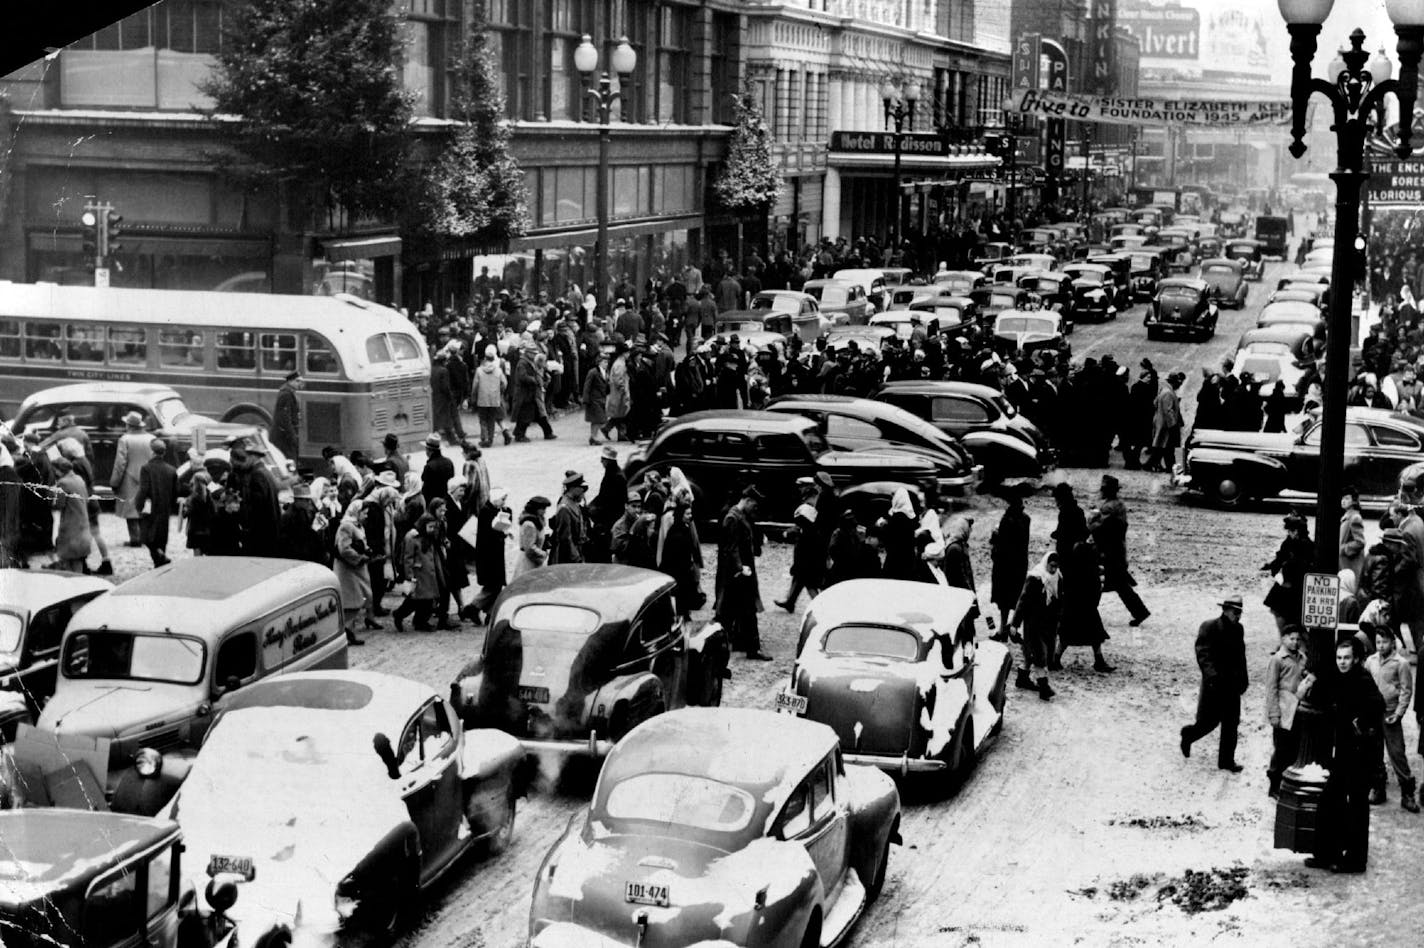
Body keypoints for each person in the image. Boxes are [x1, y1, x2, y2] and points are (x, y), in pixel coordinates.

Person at [1305, 638, 1385, 873]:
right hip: (1343, 752)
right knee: (1331, 799)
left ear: (1356, 659)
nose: (1342, 662)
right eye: (1339, 657)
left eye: (1347, 658)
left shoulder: (1362, 679)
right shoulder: (1338, 676)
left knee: (1357, 804)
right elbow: (1319, 695)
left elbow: (1378, 705)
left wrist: (1359, 724)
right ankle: (1325, 853)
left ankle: (1355, 860)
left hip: (1361, 752)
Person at [1179, 594, 1248, 773]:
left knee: (1231, 724)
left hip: (1232, 686)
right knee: (1208, 723)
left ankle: (1226, 761)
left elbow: (1241, 656)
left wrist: (1243, 679)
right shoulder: (1209, 627)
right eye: (1235, 612)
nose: (1237, 615)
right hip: (1214, 686)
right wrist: (1212, 677)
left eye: (1239, 612)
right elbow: (1203, 654)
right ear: (1224, 610)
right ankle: (1188, 735)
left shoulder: (1239, 629)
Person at [1365, 628, 1418, 811]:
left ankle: (1407, 792)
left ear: (1392, 642)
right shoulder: (1370, 661)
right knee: (1374, 752)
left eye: (1385, 642)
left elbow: (1406, 690)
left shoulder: (1400, 663)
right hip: (1373, 715)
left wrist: (1399, 712)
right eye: (1378, 642)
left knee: (1397, 753)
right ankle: (1378, 787)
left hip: (1390, 715)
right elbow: (1365, 683)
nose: (1381, 646)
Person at [716, 486, 770, 661]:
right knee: (732, 613)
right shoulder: (732, 518)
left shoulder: (740, 516)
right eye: (753, 504)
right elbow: (731, 548)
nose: (755, 508)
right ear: (746, 500)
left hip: (740, 574)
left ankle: (749, 648)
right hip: (737, 575)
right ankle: (746, 648)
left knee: (739, 612)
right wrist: (740, 568)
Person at [1054, 519, 1114, 673]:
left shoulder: (1076, 558)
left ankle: (1056, 659)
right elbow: (1095, 585)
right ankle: (1098, 661)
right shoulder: (1087, 559)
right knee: (1094, 633)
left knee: (1069, 634)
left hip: (1075, 603)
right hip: (1085, 603)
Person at [1096, 474, 1151, 627]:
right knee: (1119, 585)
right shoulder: (1119, 505)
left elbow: (1099, 528)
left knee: (1095, 582)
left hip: (1108, 551)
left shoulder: (1108, 507)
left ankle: (1085, 613)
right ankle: (1140, 612)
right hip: (1118, 550)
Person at [1009, 551, 1061, 701]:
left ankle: (1022, 679)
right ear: (1046, 564)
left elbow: (1060, 599)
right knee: (1039, 655)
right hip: (1033, 623)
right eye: (1051, 566)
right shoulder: (1035, 578)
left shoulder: (1058, 578)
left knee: (1029, 654)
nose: (1053, 570)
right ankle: (1044, 688)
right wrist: (1015, 623)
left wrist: (1059, 618)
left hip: (1048, 624)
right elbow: (1023, 601)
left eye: (1056, 567)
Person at [1265, 624, 1307, 798]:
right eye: (1292, 638)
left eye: (1298, 639)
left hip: (1297, 708)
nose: (1295, 642)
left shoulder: (1302, 658)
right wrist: (1273, 713)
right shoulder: (1277, 660)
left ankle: (1287, 784)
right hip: (1283, 710)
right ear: (1283, 639)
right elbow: (1271, 688)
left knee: (1294, 748)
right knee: (1281, 749)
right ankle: (1274, 785)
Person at [333, 499, 379, 645]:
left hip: (357, 569)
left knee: (360, 598)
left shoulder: (357, 525)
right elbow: (344, 549)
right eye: (364, 513)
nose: (366, 516)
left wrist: (367, 551)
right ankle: (347, 632)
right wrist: (359, 557)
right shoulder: (346, 526)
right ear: (356, 512)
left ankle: (348, 631)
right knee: (352, 600)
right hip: (348, 570)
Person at [776, 477, 824, 611]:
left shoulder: (808, 506)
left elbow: (806, 528)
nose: (800, 489)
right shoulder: (811, 502)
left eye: (802, 487)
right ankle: (790, 601)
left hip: (807, 547)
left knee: (808, 580)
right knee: (800, 575)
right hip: (807, 545)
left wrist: (791, 532)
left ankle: (820, 605)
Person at [468, 487, 513, 622]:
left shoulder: (496, 510)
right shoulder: (486, 512)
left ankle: (489, 613)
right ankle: (473, 608)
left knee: (495, 585)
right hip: (488, 555)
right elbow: (488, 533)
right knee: (493, 585)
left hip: (494, 553)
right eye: (502, 499)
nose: (504, 502)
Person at [990, 487, 1031, 631]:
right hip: (1020, 564)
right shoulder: (1026, 519)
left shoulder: (1006, 520)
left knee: (1004, 599)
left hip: (1005, 566)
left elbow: (1001, 544)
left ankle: (1002, 627)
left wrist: (995, 535)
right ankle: (1014, 626)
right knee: (1018, 596)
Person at [132, 438, 178, 568]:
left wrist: (138, 505)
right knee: (161, 537)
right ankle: (160, 560)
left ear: (152, 452)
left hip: (149, 507)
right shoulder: (171, 470)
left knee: (146, 536)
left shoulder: (146, 468)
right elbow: (176, 491)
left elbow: (143, 489)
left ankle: (159, 556)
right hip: (164, 508)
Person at [110, 411, 153, 547]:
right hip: (148, 477)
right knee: (145, 507)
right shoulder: (152, 438)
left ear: (129, 425)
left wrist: (114, 482)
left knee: (130, 509)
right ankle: (145, 537)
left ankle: (135, 538)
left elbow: (120, 463)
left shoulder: (125, 439)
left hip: (129, 478)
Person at [1264, 511, 1313, 629]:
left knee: (1285, 614)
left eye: (1291, 531)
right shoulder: (1290, 542)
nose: (1289, 533)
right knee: (1280, 612)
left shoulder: (1305, 546)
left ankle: (1286, 638)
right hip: (1287, 584)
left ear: (1296, 531)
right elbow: (1280, 557)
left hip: (1293, 587)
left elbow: (1298, 566)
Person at [231, 444, 282, 556]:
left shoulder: (257, 475)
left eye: (247, 457)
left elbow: (256, 507)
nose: (245, 460)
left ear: (253, 457)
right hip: (270, 532)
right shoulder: (266, 472)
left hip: (260, 534)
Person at [393, 514, 441, 632]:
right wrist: (409, 576)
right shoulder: (412, 538)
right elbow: (407, 558)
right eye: (430, 527)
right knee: (414, 600)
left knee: (427, 600)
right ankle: (399, 615)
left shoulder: (429, 537)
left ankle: (421, 622)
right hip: (419, 574)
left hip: (428, 573)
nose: (432, 529)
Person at [49, 456, 91, 573]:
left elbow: (58, 505)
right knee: (78, 560)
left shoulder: (63, 483)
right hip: (82, 525)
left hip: (70, 526)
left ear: (59, 469)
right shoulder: (79, 479)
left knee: (69, 563)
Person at [277, 481, 325, 563]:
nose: (309, 502)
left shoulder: (305, 511)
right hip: (295, 556)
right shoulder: (288, 517)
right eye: (306, 500)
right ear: (298, 500)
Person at [473, 345, 510, 447]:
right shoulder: (498, 370)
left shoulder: (479, 370)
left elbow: (475, 385)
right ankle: (490, 439)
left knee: (483, 420)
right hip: (495, 398)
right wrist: (500, 391)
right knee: (491, 419)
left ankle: (484, 439)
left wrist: (473, 396)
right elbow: (504, 383)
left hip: (482, 398)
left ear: (485, 358)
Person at [549, 471, 589, 565]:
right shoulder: (564, 508)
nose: (583, 491)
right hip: (567, 557)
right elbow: (565, 538)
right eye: (581, 488)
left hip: (578, 551)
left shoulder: (574, 503)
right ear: (573, 488)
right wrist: (576, 558)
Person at [513, 496, 552, 577]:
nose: (545, 512)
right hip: (528, 563)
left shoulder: (536, 521)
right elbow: (529, 548)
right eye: (543, 509)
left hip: (534, 561)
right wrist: (543, 554)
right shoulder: (529, 524)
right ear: (536, 509)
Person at [182, 470, 218, 557]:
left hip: (195, 531)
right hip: (208, 531)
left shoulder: (191, 498)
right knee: (208, 556)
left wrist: (183, 506)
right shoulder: (210, 497)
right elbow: (214, 513)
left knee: (197, 557)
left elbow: (185, 514)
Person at [272, 370, 303, 461]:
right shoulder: (286, 394)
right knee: (289, 461)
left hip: (285, 436)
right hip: (284, 437)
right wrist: (292, 435)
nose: (299, 384)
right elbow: (284, 418)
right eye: (297, 381)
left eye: (300, 381)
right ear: (290, 381)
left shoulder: (289, 392)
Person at [420, 434, 455, 511]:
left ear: (429, 450)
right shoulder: (449, 462)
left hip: (433, 504)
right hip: (447, 501)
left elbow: (426, 489)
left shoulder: (429, 466)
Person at [583, 351, 610, 445]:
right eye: (604, 362)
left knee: (597, 420)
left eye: (607, 362)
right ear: (599, 362)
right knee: (599, 419)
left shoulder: (606, 373)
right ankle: (594, 437)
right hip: (594, 399)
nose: (606, 364)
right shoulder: (593, 372)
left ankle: (593, 437)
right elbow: (587, 386)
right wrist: (585, 399)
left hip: (602, 399)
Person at [1340, 487, 1366, 580]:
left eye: (1347, 498)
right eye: (1342, 498)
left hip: (1350, 564)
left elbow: (1360, 542)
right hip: (1345, 564)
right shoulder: (1346, 516)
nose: (1343, 501)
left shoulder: (1355, 517)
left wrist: (1343, 549)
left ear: (1354, 501)